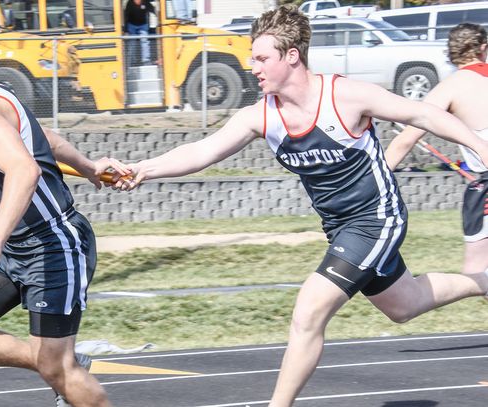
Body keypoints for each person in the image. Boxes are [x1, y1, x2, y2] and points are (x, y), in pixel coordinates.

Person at [109, 6, 488, 406]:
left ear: (292, 56)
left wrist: (481, 147)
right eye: (252, 58)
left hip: (377, 220)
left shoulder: (345, 96)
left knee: (308, 311)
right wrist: (142, 169)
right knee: (405, 304)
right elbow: (203, 151)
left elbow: (424, 113)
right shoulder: (262, 116)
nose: (252, 66)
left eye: (261, 58)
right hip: (341, 229)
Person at [0, 16, 119, 407]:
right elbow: (46, 140)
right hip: (18, 249)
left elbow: (24, 169)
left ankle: (61, 366)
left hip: (53, 244)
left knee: (56, 368)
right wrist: (90, 166)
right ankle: (62, 363)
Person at [385, 22, 488, 281]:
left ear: (451, 54)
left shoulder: (450, 87)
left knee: (476, 276)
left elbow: (405, 140)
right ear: (483, 49)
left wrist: (372, 184)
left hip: (485, 185)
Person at [124, 0, 155, 65]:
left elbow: (152, 9)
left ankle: (146, 60)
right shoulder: (129, 3)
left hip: (143, 25)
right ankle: (132, 61)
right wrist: (126, 30)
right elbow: (126, 16)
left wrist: (156, 16)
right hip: (132, 25)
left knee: (145, 41)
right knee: (132, 43)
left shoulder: (145, 2)